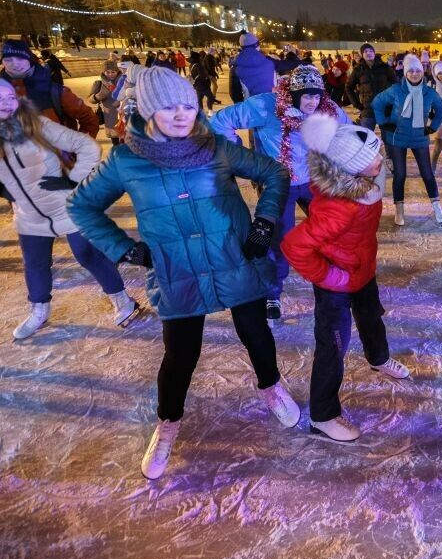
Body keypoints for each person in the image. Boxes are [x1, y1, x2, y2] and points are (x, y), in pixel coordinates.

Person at [67, 67, 300, 480]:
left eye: (189, 105)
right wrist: (125, 249)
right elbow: (81, 206)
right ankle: (168, 423)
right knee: (180, 354)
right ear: (151, 109)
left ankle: (271, 387)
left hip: (234, 257)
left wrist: (264, 222)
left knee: (256, 334)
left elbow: (275, 172)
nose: (182, 114)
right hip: (178, 270)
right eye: (171, 106)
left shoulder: (217, 148)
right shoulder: (125, 160)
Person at [0, 76, 139, 339]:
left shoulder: (33, 123)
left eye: (9, 96)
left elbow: (85, 145)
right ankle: (39, 311)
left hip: (67, 204)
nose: (7, 102)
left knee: (88, 254)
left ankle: (123, 300)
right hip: (29, 214)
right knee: (35, 264)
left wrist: (73, 179)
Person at [282, 115, 408, 442]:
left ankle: (378, 358)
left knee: (371, 316)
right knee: (332, 345)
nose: (381, 160)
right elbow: (294, 246)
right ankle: (323, 415)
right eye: (373, 158)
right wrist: (330, 276)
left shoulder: (366, 182)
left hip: (362, 269)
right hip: (336, 284)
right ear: (351, 169)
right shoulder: (339, 208)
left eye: (378, 152)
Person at [208, 64, 346, 324]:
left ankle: (334, 277)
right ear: (294, 94)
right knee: (278, 240)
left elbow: (350, 132)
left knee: (331, 227)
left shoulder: (327, 109)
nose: (313, 102)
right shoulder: (266, 106)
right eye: (307, 96)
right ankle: (272, 294)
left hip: (314, 179)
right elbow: (219, 121)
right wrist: (241, 155)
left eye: (317, 95)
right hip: (278, 183)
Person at [371, 54, 442, 226]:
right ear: (405, 73)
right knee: (400, 175)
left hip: (419, 138)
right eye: (411, 70)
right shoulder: (396, 90)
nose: (415, 74)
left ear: (423, 72)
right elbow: (377, 102)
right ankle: (399, 211)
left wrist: (433, 127)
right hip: (397, 137)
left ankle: (437, 207)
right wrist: (383, 123)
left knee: (427, 174)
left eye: (418, 70)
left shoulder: (429, 92)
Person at [0, 40, 99, 137]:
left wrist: (80, 148)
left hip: (56, 153)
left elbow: (89, 119)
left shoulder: (56, 92)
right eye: (8, 60)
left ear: (29, 59)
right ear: (2, 62)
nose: (15, 64)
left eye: (20, 58)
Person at [346, 43, 395, 131]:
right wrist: (356, 104)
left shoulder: (384, 67)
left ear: (374, 53)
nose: (368, 53)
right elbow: (348, 87)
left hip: (385, 109)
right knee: (366, 139)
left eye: (371, 51)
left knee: (389, 139)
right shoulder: (358, 70)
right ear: (362, 54)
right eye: (365, 51)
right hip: (368, 110)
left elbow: (396, 83)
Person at [231, 32, 279, 99]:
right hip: (269, 104)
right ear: (256, 45)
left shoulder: (235, 67)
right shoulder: (269, 63)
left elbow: (235, 94)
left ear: (241, 47)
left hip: (249, 106)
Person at [88, 59, 123, 146]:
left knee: (127, 141)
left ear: (117, 71)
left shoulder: (124, 82)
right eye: (108, 72)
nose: (110, 74)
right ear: (104, 72)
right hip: (110, 117)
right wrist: (98, 96)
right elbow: (90, 99)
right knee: (115, 142)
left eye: (113, 72)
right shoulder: (98, 84)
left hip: (123, 116)